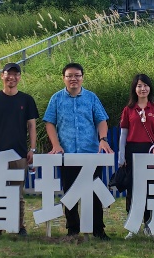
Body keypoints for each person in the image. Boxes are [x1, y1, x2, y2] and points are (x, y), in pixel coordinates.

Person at [43, 63, 112, 240]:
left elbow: (101, 120)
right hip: (67, 154)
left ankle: (98, 229)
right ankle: (72, 229)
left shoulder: (91, 97)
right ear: (63, 78)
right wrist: (56, 145)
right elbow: (50, 123)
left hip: (90, 154)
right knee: (69, 192)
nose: (73, 79)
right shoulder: (56, 99)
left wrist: (103, 139)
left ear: (82, 77)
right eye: (69, 76)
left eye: (77, 75)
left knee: (94, 192)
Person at [0, 62, 39, 237]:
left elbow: (32, 126)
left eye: (15, 74)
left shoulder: (26, 100)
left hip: (19, 154)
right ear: (2, 76)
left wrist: (32, 149)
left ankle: (18, 226)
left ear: (19, 77)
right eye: (8, 74)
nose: (11, 77)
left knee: (17, 193)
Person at [118, 73, 154, 239]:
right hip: (133, 151)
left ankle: (149, 225)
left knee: (150, 189)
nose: (142, 89)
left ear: (150, 88)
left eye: (145, 85)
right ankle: (133, 226)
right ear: (134, 89)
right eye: (139, 86)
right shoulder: (128, 110)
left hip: (150, 151)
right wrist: (121, 156)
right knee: (133, 188)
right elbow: (123, 134)